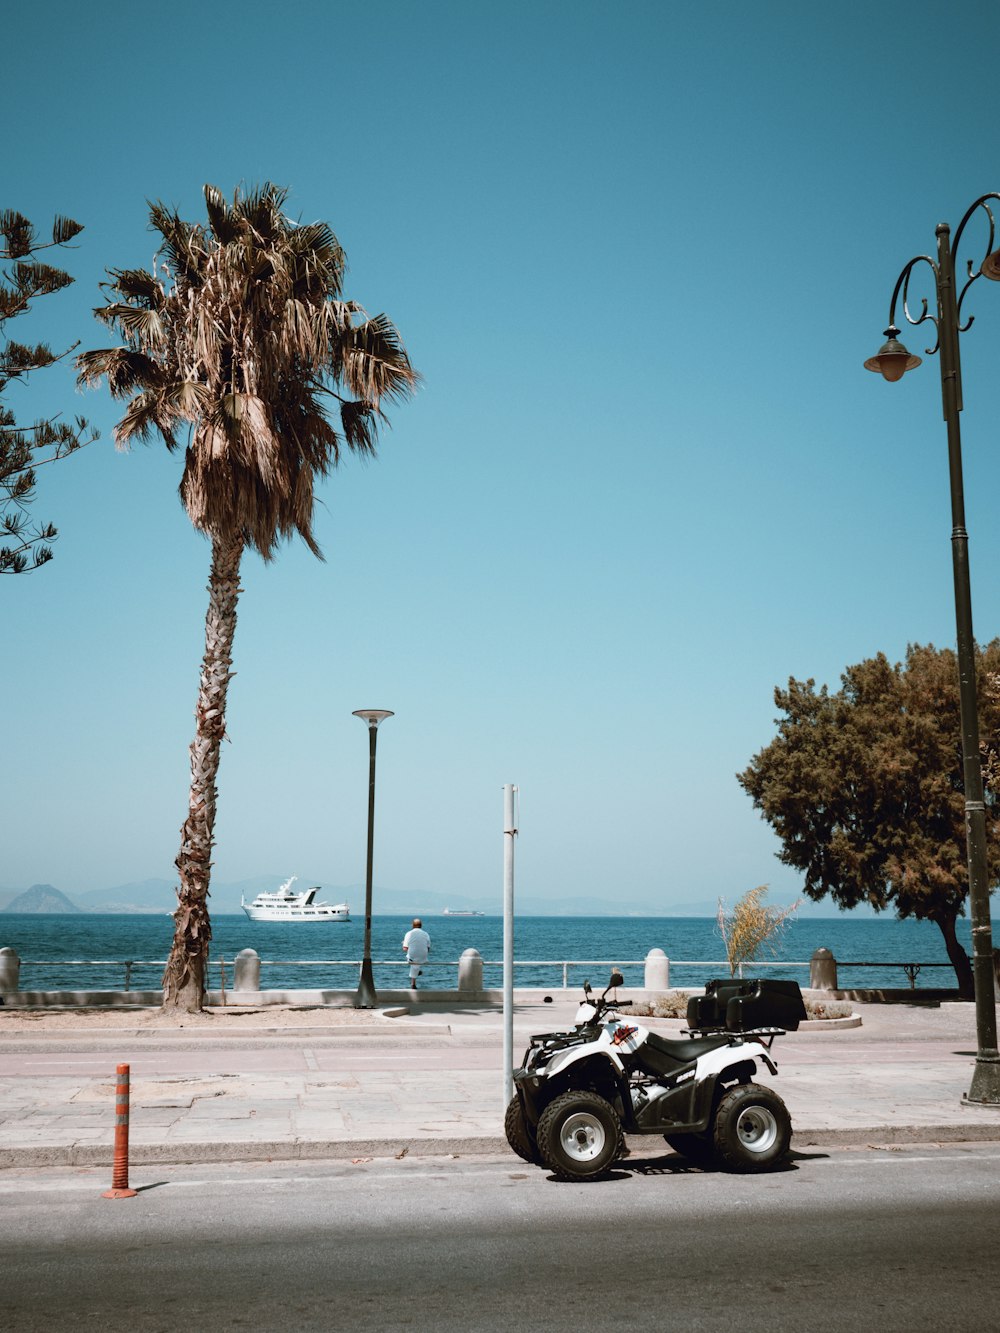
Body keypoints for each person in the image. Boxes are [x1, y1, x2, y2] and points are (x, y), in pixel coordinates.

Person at [402, 918, 431, 990]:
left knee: (412, 960)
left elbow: (405, 949)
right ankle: (415, 977)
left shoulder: (409, 933)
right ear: (421, 925)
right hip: (423, 957)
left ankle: (413, 984)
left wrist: (404, 944)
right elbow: (428, 948)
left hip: (413, 957)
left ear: (412, 925)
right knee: (417, 962)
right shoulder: (426, 934)